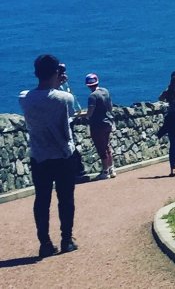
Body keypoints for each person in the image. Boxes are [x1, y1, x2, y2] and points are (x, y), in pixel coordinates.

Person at [20, 54, 79, 257]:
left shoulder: (25, 98)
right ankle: (66, 240)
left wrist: (53, 83)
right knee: (66, 199)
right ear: (56, 73)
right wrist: (59, 86)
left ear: (36, 73)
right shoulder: (64, 98)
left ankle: (45, 243)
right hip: (63, 156)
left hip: (39, 157)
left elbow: (38, 96)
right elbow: (68, 113)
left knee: (42, 200)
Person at [83, 73, 115, 179]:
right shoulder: (105, 91)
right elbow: (110, 107)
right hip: (108, 122)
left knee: (101, 147)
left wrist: (86, 116)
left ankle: (105, 171)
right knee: (107, 145)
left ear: (88, 85)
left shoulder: (92, 96)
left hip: (97, 124)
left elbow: (90, 112)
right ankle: (112, 169)